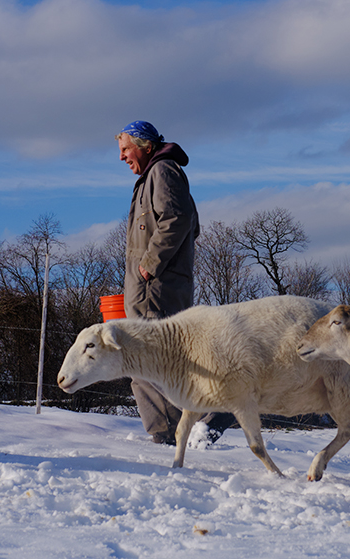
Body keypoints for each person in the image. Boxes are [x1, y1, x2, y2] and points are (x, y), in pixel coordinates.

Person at [116, 120, 236, 445]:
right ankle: (171, 430)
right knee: (151, 361)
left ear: (146, 146)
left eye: (126, 149)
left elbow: (179, 218)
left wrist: (149, 266)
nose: (122, 157)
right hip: (150, 288)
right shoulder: (152, 176)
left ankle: (212, 414)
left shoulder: (162, 171)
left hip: (156, 289)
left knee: (149, 358)